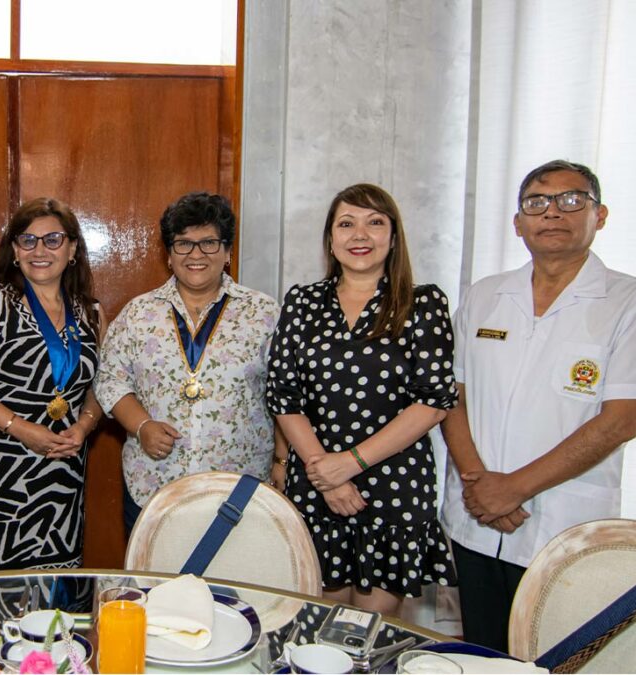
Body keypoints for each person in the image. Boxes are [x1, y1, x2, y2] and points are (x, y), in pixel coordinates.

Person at [440, 160, 636, 652]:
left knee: (555, 655)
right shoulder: (485, 296)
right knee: (481, 650)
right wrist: (480, 485)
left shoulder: (625, 302)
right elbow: (452, 397)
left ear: (601, 214)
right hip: (475, 518)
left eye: (572, 200)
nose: (552, 213)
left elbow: (622, 419)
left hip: (560, 524)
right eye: (537, 202)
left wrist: (513, 489)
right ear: (517, 222)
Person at [266, 184, 457, 615]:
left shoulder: (423, 303)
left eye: (375, 223)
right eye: (346, 224)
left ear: (393, 236)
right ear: (331, 239)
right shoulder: (303, 301)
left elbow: (434, 400)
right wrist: (325, 472)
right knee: (314, 623)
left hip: (392, 484)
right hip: (316, 481)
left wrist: (348, 464)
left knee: (368, 629)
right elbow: (283, 395)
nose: (360, 235)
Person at [95, 191, 283, 535]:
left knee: (233, 587)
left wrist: (282, 461)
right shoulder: (139, 313)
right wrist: (141, 426)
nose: (196, 254)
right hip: (154, 485)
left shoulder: (264, 313)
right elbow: (110, 381)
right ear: (169, 255)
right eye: (183, 243)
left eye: (209, 243)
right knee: (156, 587)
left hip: (239, 489)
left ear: (227, 252)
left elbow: (285, 392)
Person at [0, 197, 103, 572]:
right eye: (27, 240)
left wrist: (84, 426)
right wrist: (21, 429)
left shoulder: (91, 311)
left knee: (57, 584)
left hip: (64, 467)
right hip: (2, 465)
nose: (40, 250)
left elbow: (101, 387)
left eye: (52, 239)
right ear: (14, 251)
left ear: (72, 250)